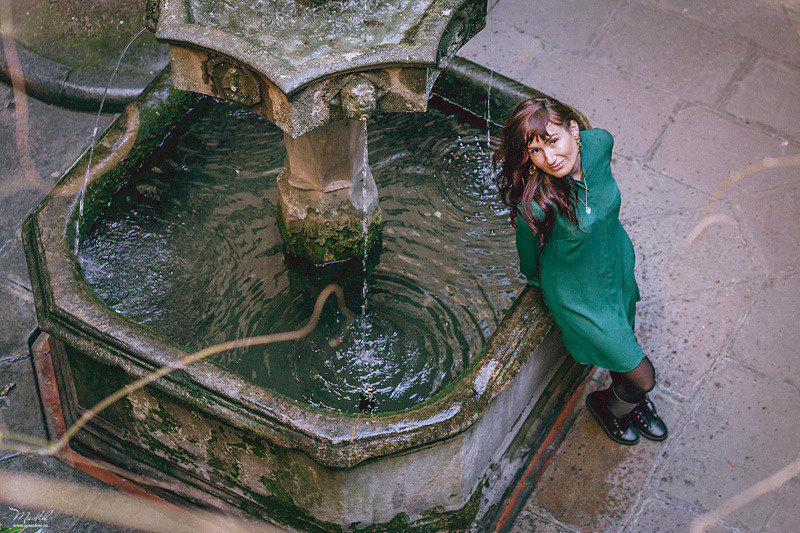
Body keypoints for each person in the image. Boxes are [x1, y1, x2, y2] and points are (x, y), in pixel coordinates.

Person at [492, 97, 667, 445]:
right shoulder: (538, 200)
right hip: (578, 290)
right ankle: (609, 406)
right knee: (643, 375)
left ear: (574, 130)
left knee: (626, 335)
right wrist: (540, 280)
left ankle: (627, 398)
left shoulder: (599, 144)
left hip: (615, 259)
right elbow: (527, 256)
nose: (549, 159)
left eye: (553, 141)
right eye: (535, 151)